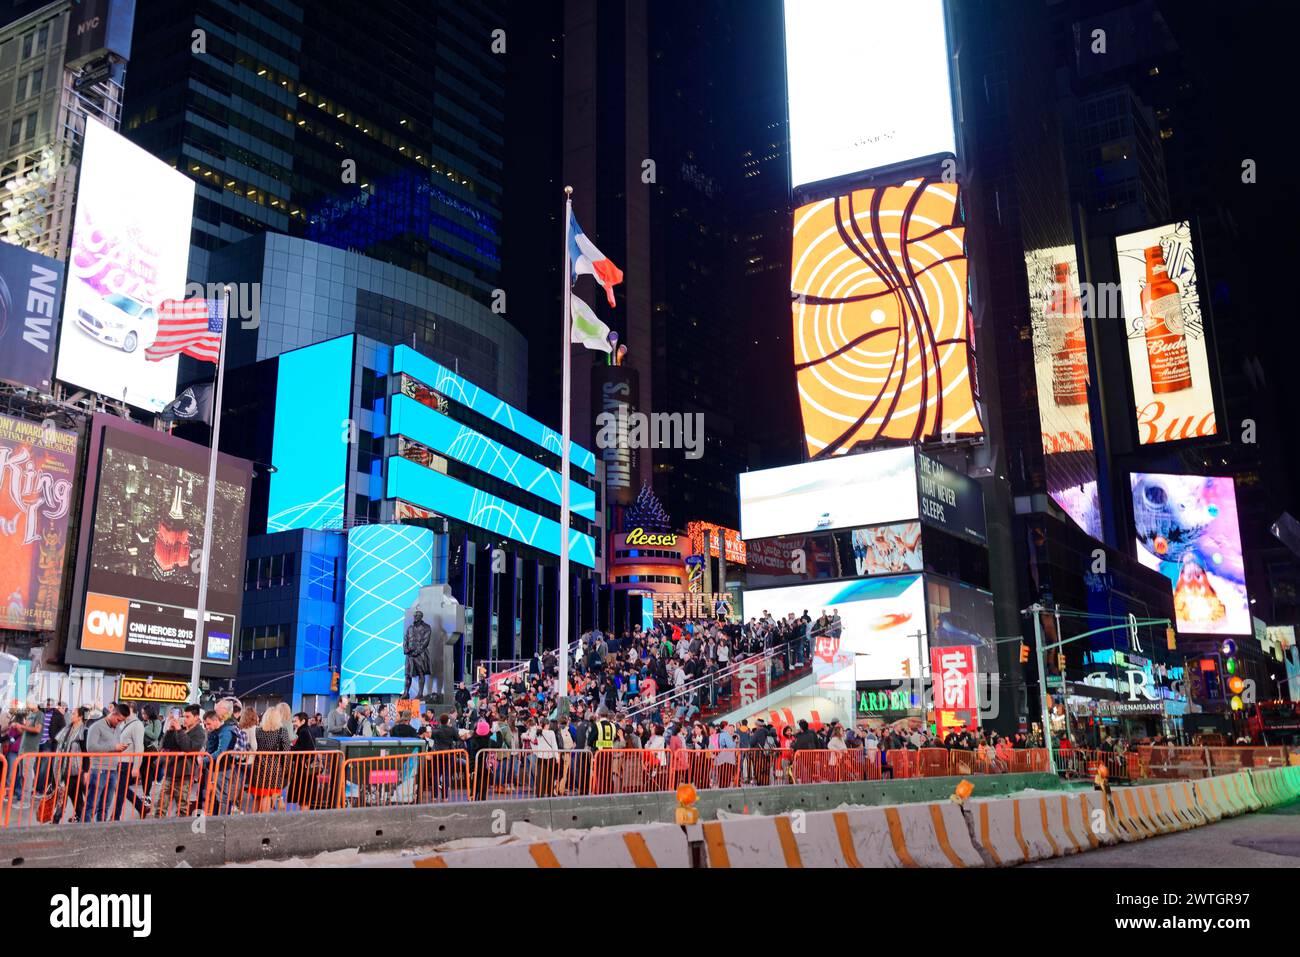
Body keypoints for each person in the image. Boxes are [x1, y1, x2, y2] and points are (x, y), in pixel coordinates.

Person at [154, 705, 206, 818]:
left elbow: (189, 747)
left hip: (184, 774)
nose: (185, 719)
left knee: (182, 807)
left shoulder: (200, 733)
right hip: (170, 771)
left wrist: (178, 730)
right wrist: (170, 730)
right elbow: (166, 745)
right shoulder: (181, 728)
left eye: (188, 717)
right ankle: (156, 827)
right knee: (160, 804)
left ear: (196, 717)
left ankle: (181, 831)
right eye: (184, 716)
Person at [250, 708, 290, 814]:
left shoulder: (257, 730)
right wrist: (286, 769)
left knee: (258, 795)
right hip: (274, 766)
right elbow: (286, 751)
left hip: (258, 765)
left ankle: (252, 822)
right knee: (266, 795)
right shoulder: (282, 731)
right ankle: (264, 822)